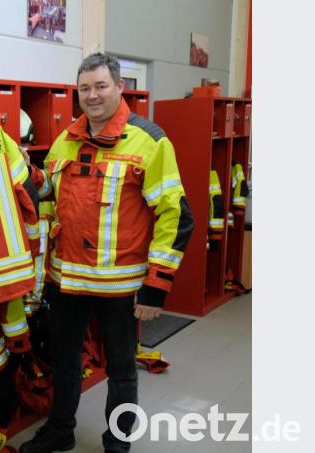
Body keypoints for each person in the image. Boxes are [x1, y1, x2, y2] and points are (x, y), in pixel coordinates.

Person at [20, 53, 194, 453]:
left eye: (101, 86)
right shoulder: (65, 140)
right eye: (85, 88)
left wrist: (155, 287)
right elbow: (52, 199)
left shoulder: (150, 140)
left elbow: (176, 216)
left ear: (119, 87)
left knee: (121, 370)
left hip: (120, 284)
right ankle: (60, 429)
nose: (92, 95)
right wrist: (29, 177)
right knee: (64, 363)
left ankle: (118, 442)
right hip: (66, 281)